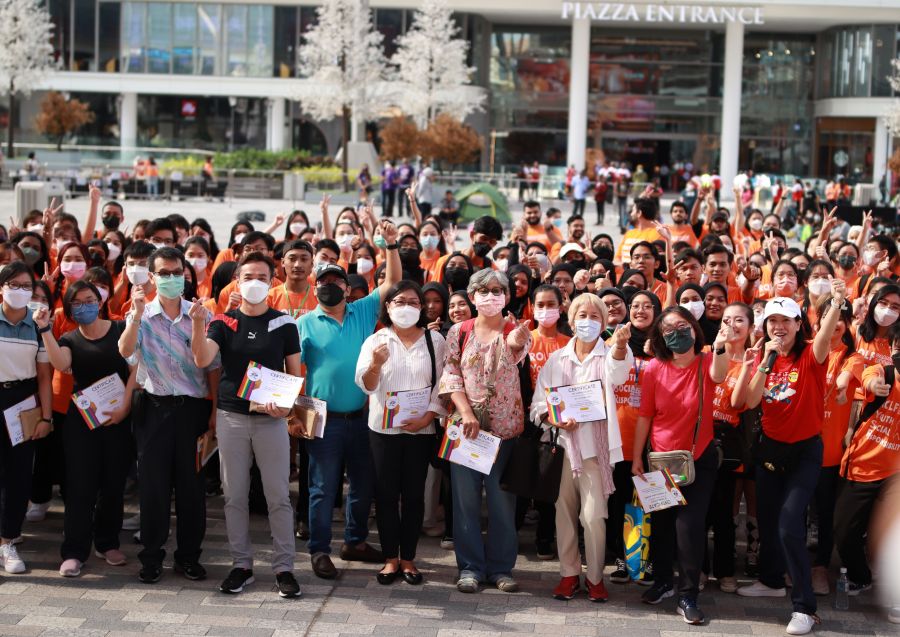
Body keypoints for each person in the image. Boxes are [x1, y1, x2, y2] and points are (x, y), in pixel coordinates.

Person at [737, 280, 847, 636]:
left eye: (786, 320)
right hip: (770, 450)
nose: (779, 327)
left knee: (789, 525)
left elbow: (825, 334)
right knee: (769, 521)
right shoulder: (765, 358)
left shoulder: (812, 355)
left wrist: (836, 302)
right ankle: (771, 580)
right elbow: (751, 401)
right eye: (772, 320)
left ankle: (805, 608)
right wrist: (763, 363)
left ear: (799, 324)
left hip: (805, 452)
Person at [190, 252, 302, 599]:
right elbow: (202, 359)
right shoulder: (224, 322)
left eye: (262, 277)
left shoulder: (284, 323)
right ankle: (241, 565)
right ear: (237, 281)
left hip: (271, 421)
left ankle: (284, 568)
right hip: (232, 418)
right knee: (234, 495)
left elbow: (294, 373)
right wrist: (197, 324)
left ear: (272, 282)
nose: (255, 282)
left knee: (278, 496)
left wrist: (284, 406)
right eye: (248, 276)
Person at [297, 220, 401, 580]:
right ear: (315, 287)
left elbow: (391, 282)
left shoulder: (362, 311)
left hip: (361, 416)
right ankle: (319, 550)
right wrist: (296, 415)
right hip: (321, 419)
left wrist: (391, 245)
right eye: (323, 282)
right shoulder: (304, 323)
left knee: (362, 485)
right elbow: (293, 371)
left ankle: (354, 541)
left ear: (347, 286)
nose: (330, 286)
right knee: (322, 488)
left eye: (336, 281)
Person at [118, 247, 219, 584]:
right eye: (164, 273)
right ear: (152, 276)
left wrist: (215, 410)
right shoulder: (141, 314)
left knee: (192, 489)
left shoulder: (200, 314)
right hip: (154, 408)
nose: (172, 278)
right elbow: (125, 351)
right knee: (153, 488)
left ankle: (188, 557)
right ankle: (151, 557)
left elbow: (212, 368)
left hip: (192, 410)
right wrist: (135, 314)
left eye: (177, 272)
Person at [631, 306, 731, 624]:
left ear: (693, 328)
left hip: (698, 459)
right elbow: (645, 415)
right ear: (660, 337)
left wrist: (721, 346)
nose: (676, 333)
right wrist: (637, 457)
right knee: (662, 525)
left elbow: (720, 375)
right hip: (661, 459)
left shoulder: (707, 361)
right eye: (668, 329)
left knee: (689, 526)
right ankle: (662, 582)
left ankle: (688, 594)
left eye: (682, 326)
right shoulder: (653, 368)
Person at [532, 294, 633, 602]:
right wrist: (554, 418)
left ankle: (595, 577)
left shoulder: (610, 354)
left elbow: (619, 373)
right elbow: (538, 405)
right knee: (563, 513)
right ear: (572, 320)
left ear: (603, 323)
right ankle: (568, 574)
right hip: (563, 448)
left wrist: (619, 345)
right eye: (582, 315)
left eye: (594, 315)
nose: (587, 321)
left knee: (593, 516)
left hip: (595, 452)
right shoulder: (556, 359)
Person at [438, 269, 532, 594]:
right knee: (465, 502)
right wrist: (465, 412)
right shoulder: (459, 331)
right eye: (484, 290)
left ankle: (501, 568)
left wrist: (517, 338)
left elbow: (515, 350)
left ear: (506, 296)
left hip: (504, 432)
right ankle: (470, 567)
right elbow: (451, 374)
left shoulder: (514, 331)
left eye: (497, 290)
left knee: (501, 501)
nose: (490, 296)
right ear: (472, 296)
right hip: (467, 431)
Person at [36, 279, 136, 578]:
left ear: (100, 301)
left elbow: (135, 370)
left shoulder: (120, 329)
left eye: (89, 300)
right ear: (69, 308)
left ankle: (107, 543)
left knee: (113, 484)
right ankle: (74, 551)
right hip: (82, 421)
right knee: (80, 487)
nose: (84, 306)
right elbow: (59, 363)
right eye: (77, 303)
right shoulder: (69, 338)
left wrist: (125, 407)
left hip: (117, 419)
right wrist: (45, 330)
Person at [355, 281, 447, 585]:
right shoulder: (376, 340)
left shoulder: (435, 340)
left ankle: (408, 558)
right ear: (388, 306)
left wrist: (428, 417)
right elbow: (366, 385)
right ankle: (390, 559)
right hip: (383, 430)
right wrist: (375, 365)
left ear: (421, 307)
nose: (406, 307)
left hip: (422, 430)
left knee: (414, 496)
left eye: (412, 302)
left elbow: (443, 384)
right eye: (399, 301)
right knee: (385, 495)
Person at [833, 326, 900, 597]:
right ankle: (861, 576)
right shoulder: (883, 373)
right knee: (844, 532)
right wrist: (873, 386)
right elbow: (869, 378)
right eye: (898, 346)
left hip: (895, 476)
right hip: (862, 466)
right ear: (892, 349)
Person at [0, 263, 53, 574]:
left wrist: (46, 417)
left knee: (18, 475)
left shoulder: (37, 324)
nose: (20, 291)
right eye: (13, 284)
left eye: (26, 286)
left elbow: (45, 376)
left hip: (22, 402)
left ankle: (8, 540)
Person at [607, 290, 660, 584]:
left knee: (652, 503)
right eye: (635, 305)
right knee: (619, 505)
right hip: (619, 440)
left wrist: (658, 354)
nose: (641, 310)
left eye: (647, 306)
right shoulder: (615, 343)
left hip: (653, 443)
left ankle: (647, 560)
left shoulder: (665, 348)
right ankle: (622, 558)